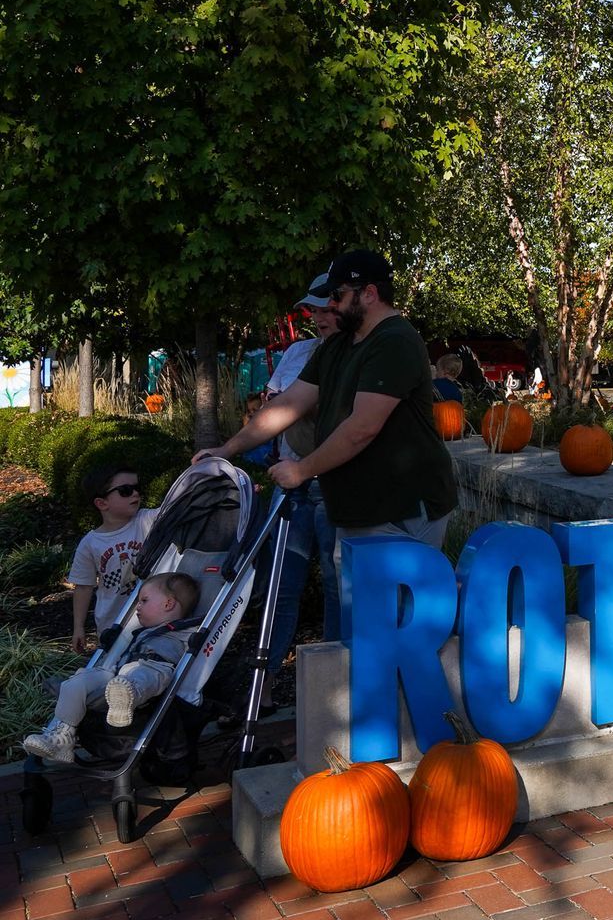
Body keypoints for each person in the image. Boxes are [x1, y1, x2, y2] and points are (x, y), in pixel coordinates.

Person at [197, 249, 458, 548]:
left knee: (386, 597)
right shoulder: (338, 345)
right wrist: (226, 449)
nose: (330, 304)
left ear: (369, 293)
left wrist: (301, 470)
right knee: (355, 595)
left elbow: (362, 427)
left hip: (400, 511)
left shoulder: (394, 341)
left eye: (337, 295)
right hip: (360, 510)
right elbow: (288, 404)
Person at [24, 572, 201, 763]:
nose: (138, 606)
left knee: (140, 675)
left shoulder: (187, 630)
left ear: (168, 604)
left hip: (155, 668)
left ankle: (126, 695)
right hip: (117, 672)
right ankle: (60, 738)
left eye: (144, 600)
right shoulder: (142, 632)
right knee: (75, 683)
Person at [257, 273, 342, 669]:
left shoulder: (356, 357)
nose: (318, 317)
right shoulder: (297, 353)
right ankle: (266, 680)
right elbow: (272, 407)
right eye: (313, 309)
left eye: (326, 309)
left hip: (333, 485)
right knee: (279, 587)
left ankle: (333, 682)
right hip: (290, 485)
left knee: (335, 584)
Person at [66, 465, 157, 654]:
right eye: (125, 490)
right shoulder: (90, 543)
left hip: (153, 618)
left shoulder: (146, 520)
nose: (135, 494)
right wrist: (78, 627)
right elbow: (83, 587)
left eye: (138, 488)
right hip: (112, 623)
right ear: (101, 503)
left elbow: (172, 509)